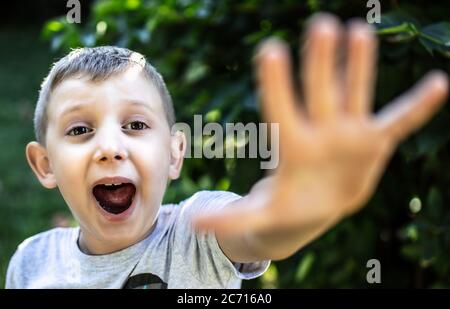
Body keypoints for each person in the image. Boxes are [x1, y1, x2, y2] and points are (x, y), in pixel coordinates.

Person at [5, 14, 448, 288]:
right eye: (80, 129)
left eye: (136, 125)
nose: (109, 148)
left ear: (175, 154)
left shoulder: (198, 232)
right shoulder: (31, 262)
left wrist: (298, 211)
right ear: (45, 164)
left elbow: (259, 229)